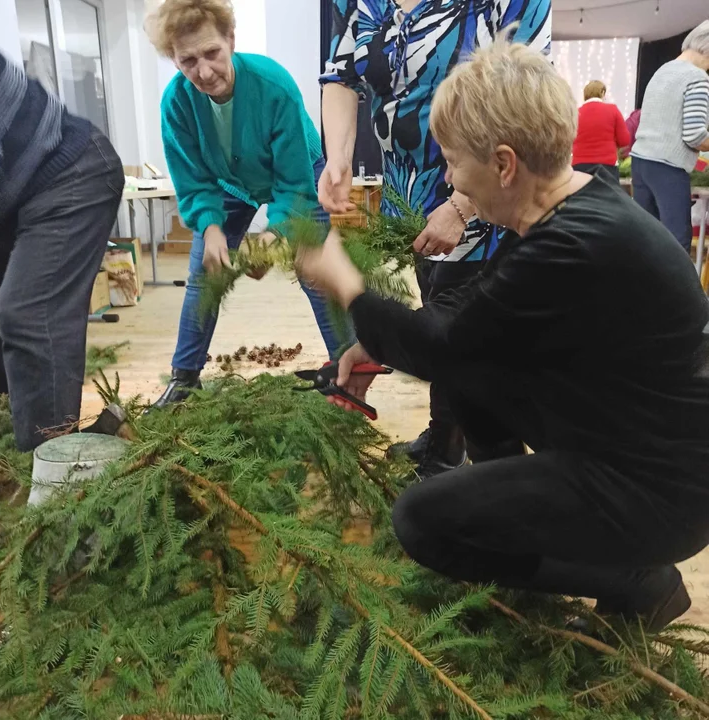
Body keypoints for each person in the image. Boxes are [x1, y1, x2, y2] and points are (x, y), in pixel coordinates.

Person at [297, 38, 709, 631]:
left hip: (659, 492)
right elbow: (472, 317)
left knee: (420, 520)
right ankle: (516, 529)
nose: (447, 177)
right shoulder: (572, 210)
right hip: (633, 441)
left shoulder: (571, 245)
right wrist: (374, 339)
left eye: (451, 162)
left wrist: (348, 287)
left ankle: (639, 581)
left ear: (504, 164)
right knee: (473, 368)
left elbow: (442, 343)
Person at [319, 0, 552, 480]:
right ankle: (446, 432)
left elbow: (527, 103)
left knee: (466, 334)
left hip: (487, 192)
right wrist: (337, 157)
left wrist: (463, 201)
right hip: (413, 194)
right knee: (438, 298)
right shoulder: (369, 5)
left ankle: (463, 459)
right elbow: (341, 76)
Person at [145, 0, 344, 408]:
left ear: (231, 40)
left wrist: (276, 234)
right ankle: (184, 379)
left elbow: (292, 185)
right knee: (205, 271)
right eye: (187, 60)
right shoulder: (176, 104)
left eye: (212, 53)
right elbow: (194, 181)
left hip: (297, 170)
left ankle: (347, 368)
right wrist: (212, 228)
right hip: (231, 184)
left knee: (315, 272)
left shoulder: (275, 86)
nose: (203, 72)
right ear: (173, 58)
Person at [0, 41, 124, 452]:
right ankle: (8, 440)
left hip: (70, 169)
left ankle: (53, 474)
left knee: (28, 316)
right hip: (12, 197)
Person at [631, 20, 709, 252]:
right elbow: (694, 136)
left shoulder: (662, 70)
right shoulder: (697, 78)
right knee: (677, 243)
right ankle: (674, 290)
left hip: (640, 162)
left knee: (647, 239)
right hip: (668, 168)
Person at [571, 80, 630, 182]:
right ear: (602, 93)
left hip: (579, 167)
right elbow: (624, 140)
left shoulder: (575, 113)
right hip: (607, 167)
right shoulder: (613, 110)